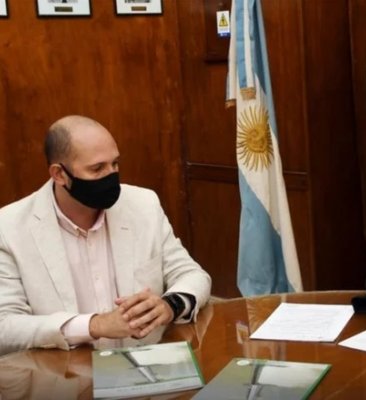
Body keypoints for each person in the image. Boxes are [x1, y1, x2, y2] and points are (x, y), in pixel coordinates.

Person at [0, 115, 211, 355]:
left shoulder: (143, 204)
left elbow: (192, 275)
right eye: (97, 168)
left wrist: (169, 305)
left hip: (146, 374)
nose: (111, 176)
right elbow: (5, 327)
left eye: (115, 164)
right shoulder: (9, 227)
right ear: (59, 174)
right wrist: (94, 325)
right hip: (64, 381)